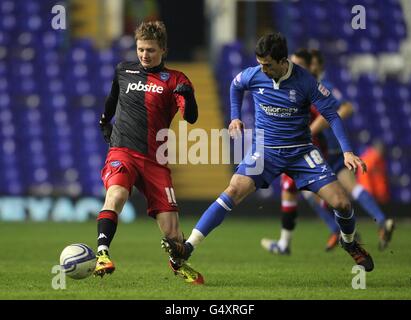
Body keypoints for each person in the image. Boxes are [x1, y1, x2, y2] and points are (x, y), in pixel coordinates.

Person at [162, 33, 375, 281]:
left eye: (268, 65)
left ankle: (349, 243)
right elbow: (235, 84)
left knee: (342, 203)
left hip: (301, 151)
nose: (262, 69)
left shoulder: (306, 81)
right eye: (260, 63)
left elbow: (333, 116)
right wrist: (234, 116)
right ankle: (188, 247)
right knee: (232, 190)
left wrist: (348, 151)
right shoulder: (254, 75)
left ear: (283, 61)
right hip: (265, 150)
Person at [94, 20, 203, 284]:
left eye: (150, 50)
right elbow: (112, 98)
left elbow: (191, 117)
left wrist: (188, 97)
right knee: (116, 194)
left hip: (156, 160)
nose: (144, 55)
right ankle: (102, 254)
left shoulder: (176, 79)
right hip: (124, 152)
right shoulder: (124, 70)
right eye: (141, 49)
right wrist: (104, 122)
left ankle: (178, 264)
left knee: (173, 234)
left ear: (163, 49)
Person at [262, 50, 395, 254]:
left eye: (313, 64)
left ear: (317, 67)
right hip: (325, 149)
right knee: (346, 190)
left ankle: (331, 231)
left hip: (321, 149)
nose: (310, 68)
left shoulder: (317, 87)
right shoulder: (300, 84)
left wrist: (316, 126)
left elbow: (346, 108)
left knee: (311, 192)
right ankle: (378, 222)